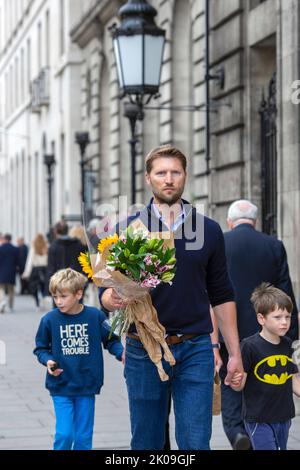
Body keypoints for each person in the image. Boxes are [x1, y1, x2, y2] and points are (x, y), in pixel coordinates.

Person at [100, 145, 243, 450]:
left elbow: (222, 294)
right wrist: (110, 298)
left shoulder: (208, 229)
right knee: (147, 442)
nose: (169, 179)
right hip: (143, 348)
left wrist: (234, 354)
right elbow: (105, 290)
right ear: (148, 178)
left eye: (175, 172)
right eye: (161, 172)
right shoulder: (128, 230)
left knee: (195, 442)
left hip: (196, 348)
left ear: (185, 177)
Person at [220, 199, 299, 450]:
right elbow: (284, 292)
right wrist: (292, 335)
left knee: (232, 380)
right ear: (255, 222)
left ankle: (237, 431)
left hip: (229, 330)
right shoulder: (273, 245)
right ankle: (260, 429)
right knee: (263, 381)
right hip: (265, 333)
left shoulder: (221, 242)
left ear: (229, 222)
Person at [33, 268, 123, 450]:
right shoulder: (49, 320)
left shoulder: (95, 316)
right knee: (64, 434)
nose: (58, 301)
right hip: (61, 385)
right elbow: (41, 348)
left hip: (87, 384)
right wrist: (48, 361)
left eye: (63, 296)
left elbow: (111, 340)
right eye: (55, 297)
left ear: (79, 294)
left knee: (83, 437)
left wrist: (121, 353)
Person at [233, 283, 300, 450]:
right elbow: (240, 384)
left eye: (288, 316)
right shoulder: (249, 346)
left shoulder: (288, 344)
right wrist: (236, 381)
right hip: (259, 418)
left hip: (284, 416)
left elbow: (292, 379)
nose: (284, 322)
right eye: (278, 317)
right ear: (261, 318)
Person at [47, 221, 86, 291]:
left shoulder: (53, 247)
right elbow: (84, 263)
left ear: (55, 232)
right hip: (76, 281)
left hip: (59, 283)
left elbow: (51, 268)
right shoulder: (78, 244)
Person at [22, 234, 48, 310]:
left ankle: (37, 304)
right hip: (44, 269)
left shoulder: (33, 248)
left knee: (34, 288)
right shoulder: (46, 247)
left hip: (35, 270)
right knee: (43, 286)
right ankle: (43, 299)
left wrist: (26, 273)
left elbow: (30, 261)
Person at [0, 234, 20, 313]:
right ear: (11, 239)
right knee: (11, 290)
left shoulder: (1, 248)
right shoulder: (15, 249)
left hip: (1, 271)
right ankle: (11, 306)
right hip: (12, 272)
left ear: (5, 239)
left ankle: (2, 302)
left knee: (1, 289)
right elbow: (18, 262)